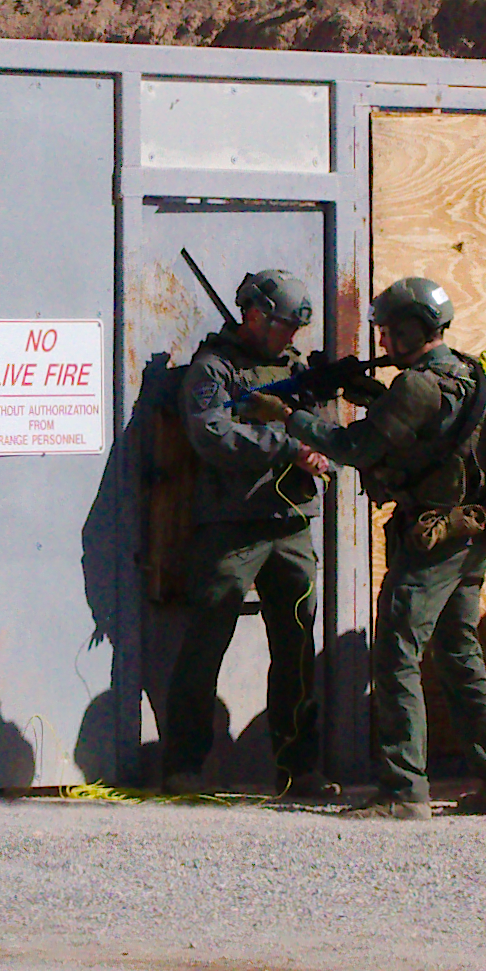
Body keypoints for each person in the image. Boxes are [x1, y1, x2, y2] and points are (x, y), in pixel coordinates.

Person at [248, 277, 486, 816]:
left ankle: (403, 790)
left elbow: (354, 447)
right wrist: (373, 397)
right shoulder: (473, 375)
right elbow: (430, 434)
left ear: (416, 328)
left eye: (392, 330)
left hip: (432, 539)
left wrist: (290, 417)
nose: (386, 340)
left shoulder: (418, 387)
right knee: (461, 656)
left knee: (397, 654)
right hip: (469, 535)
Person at [162, 269, 333, 798]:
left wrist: (322, 441)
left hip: (291, 524)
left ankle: (298, 766)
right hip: (231, 527)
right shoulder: (214, 369)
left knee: (298, 647)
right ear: (253, 315)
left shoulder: (296, 368)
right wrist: (284, 445)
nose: (289, 336)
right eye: (282, 324)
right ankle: (185, 766)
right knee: (205, 645)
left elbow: (319, 424)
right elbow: (211, 434)